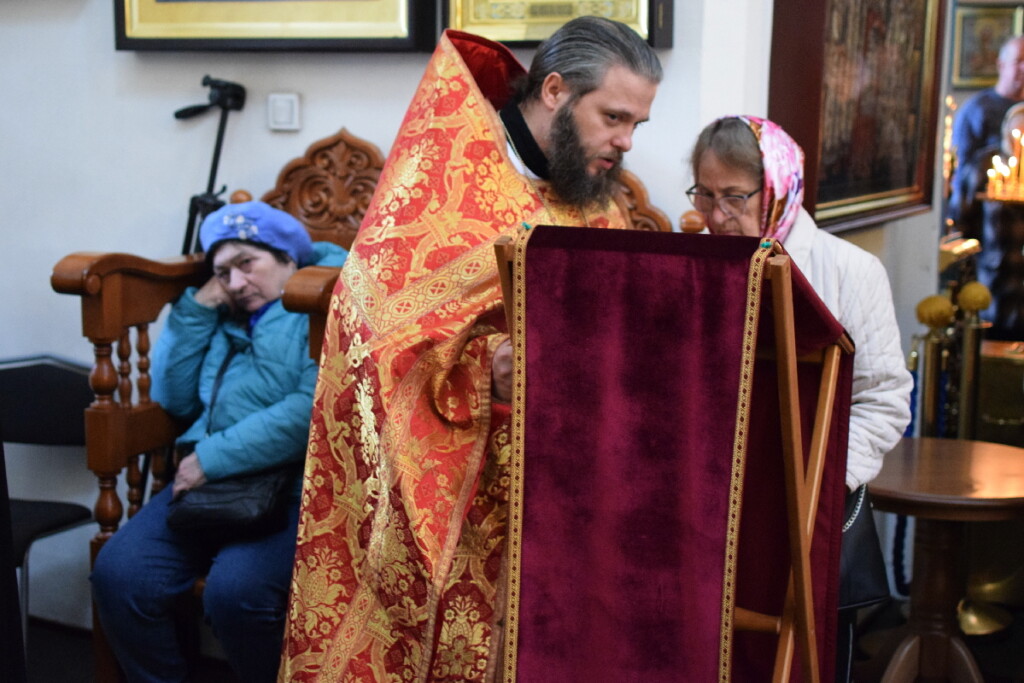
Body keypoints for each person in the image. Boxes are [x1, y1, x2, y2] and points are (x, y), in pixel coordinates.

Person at [278, 17, 661, 682]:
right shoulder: (443, 180)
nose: (625, 142)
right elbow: (373, 336)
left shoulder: (599, 204)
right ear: (554, 92)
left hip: (557, 502)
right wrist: (489, 370)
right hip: (447, 494)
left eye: (637, 126)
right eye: (615, 117)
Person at [688, 115, 913, 683]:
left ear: (779, 189)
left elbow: (884, 400)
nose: (717, 217)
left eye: (735, 198)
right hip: (712, 510)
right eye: (704, 194)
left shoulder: (850, 272)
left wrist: (818, 484)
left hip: (805, 509)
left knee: (800, 660)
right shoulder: (693, 263)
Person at [90, 201, 348, 683]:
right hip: (206, 488)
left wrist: (209, 459)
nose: (234, 284)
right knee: (120, 574)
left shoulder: (325, 301)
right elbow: (175, 397)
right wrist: (195, 313)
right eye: (222, 273)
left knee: (235, 594)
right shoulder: (225, 313)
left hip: (290, 490)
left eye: (247, 265)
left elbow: (308, 409)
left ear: (290, 258)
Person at [948, 35, 1024, 236]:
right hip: (987, 223)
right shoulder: (977, 109)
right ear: (1001, 65)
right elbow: (962, 171)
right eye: (1019, 61)